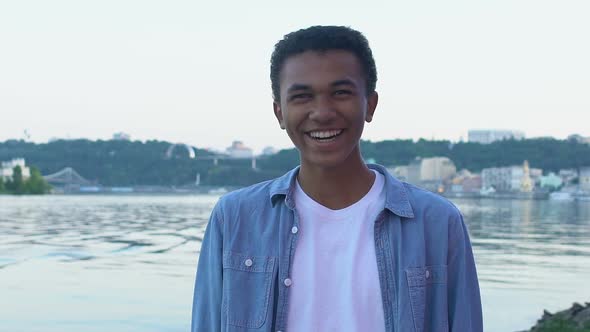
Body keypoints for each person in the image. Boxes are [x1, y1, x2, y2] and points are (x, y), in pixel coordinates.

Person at [191, 25, 483, 332]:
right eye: (302, 96)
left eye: (341, 93)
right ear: (279, 112)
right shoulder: (234, 218)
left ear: (370, 104)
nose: (323, 112)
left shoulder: (436, 222)